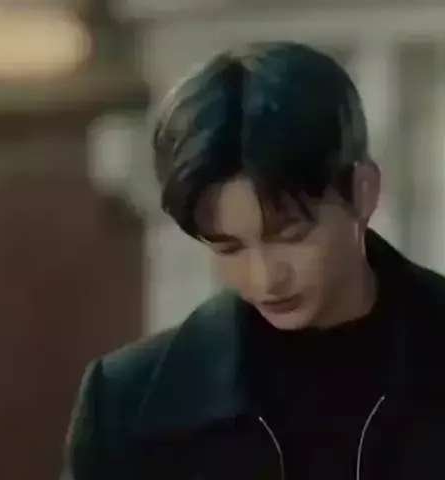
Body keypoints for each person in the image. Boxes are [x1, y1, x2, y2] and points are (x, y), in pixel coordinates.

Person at [64, 42, 445, 480]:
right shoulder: (126, 404)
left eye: (291, 237)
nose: (265, 279)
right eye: (229, 248)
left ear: (363, 192)